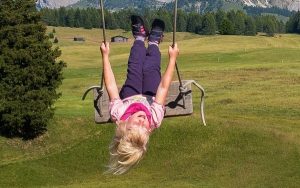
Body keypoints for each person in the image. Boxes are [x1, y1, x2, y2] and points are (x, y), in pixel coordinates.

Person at [100, 15, 179, 175]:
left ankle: (139, 37)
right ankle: (154, 42)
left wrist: (105, 56)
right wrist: (172, 59)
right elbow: (163, 87)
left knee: (135, 65)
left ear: (124, 125)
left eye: (136, 124)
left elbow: (111, 86)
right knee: (151, 68)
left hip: (130, 95)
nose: (143, 121)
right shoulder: (154, 118)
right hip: (151, 98)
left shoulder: (119, 114)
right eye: (145, 128)